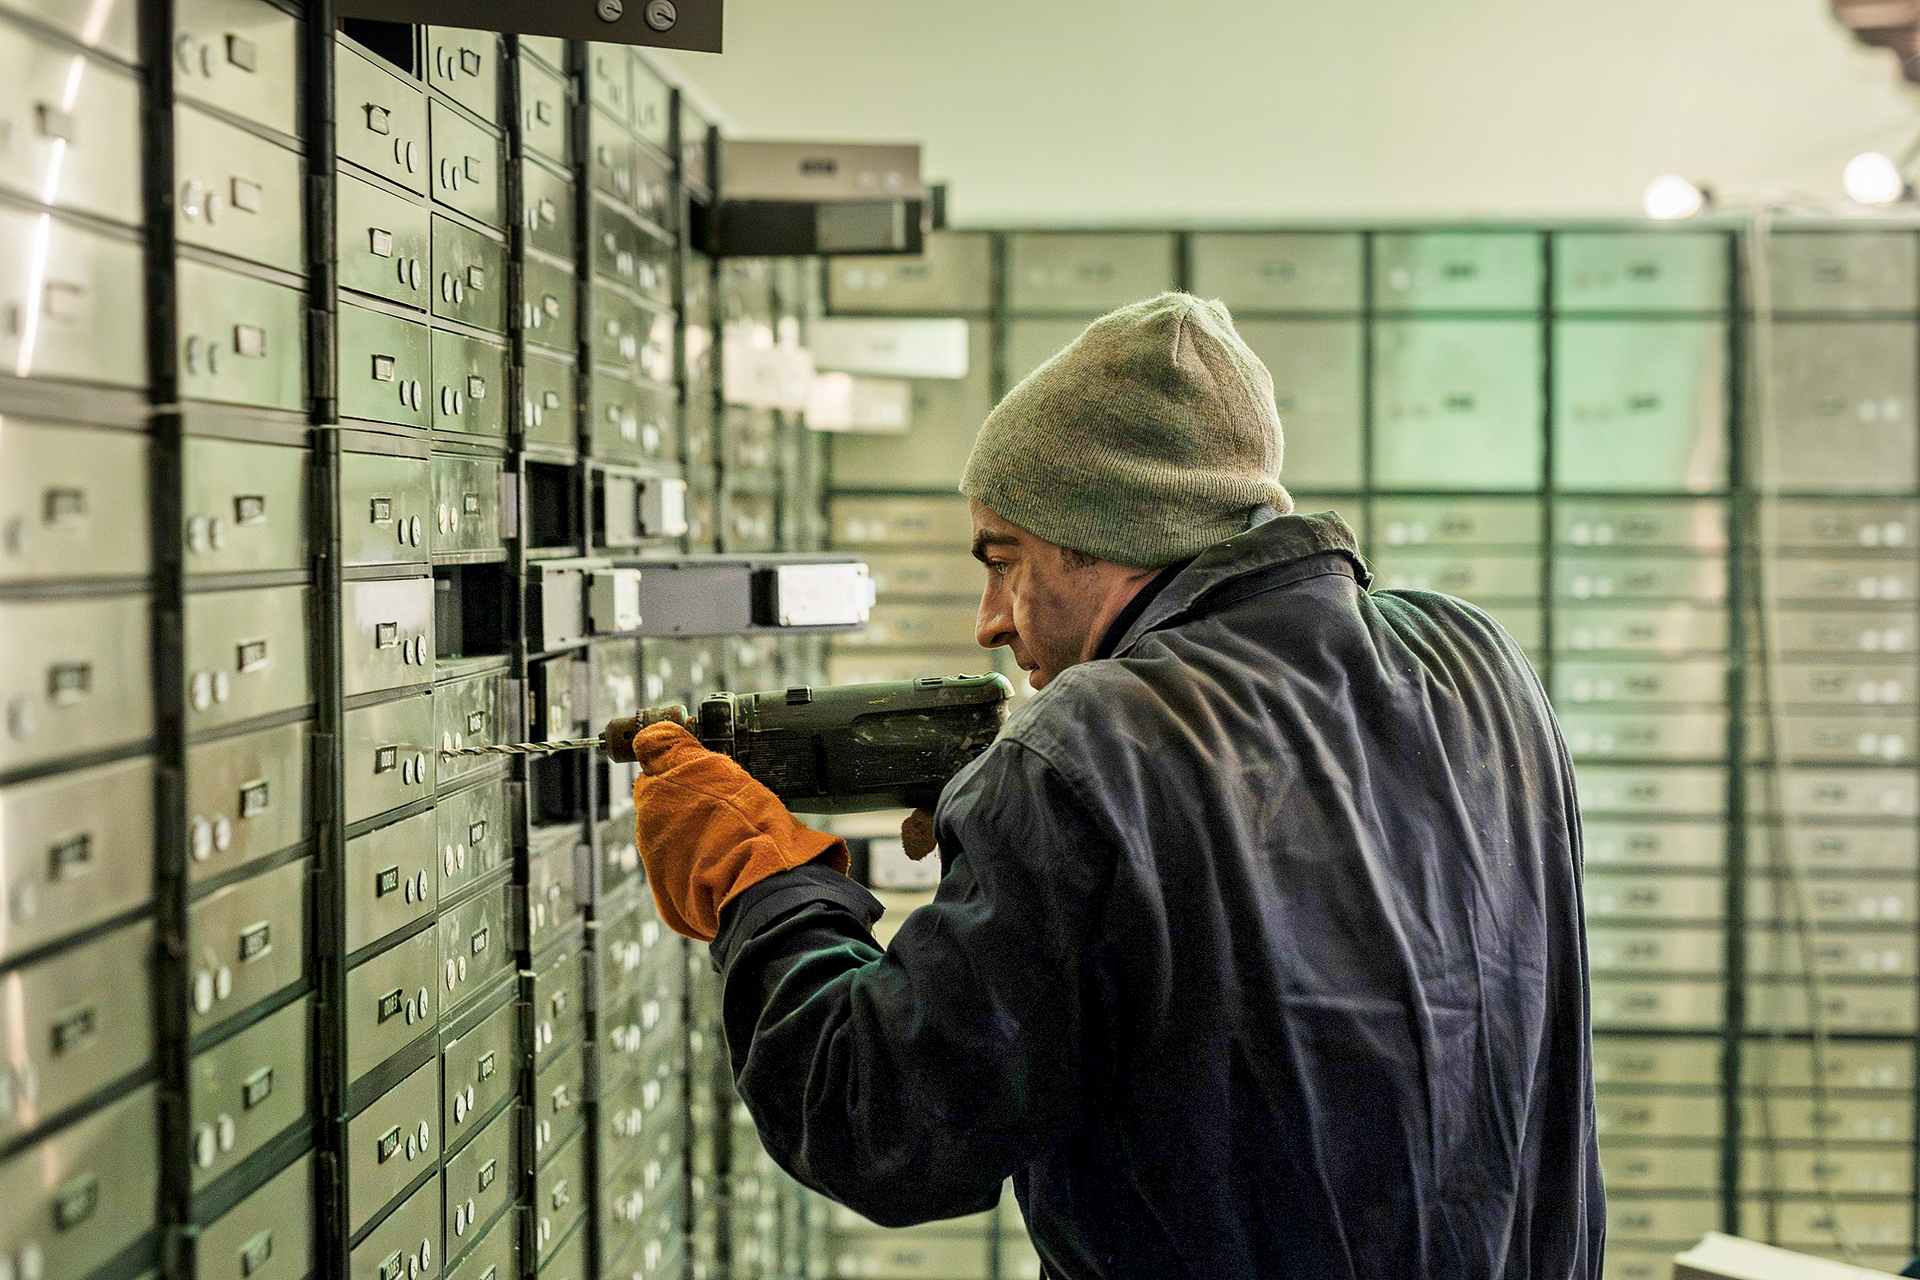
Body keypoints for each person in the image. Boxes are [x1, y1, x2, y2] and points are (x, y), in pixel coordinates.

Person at [626, 293, 1604, 1278]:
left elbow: (878, 1119)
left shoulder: (1088, 749)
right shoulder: (1477, 659)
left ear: (1104, 533)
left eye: (1004, 560)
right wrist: (1041, 833)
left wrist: (761, 882)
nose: (990, 620)